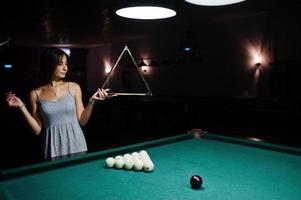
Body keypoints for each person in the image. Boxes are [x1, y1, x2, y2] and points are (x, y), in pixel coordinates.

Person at [5, 47, 109, 160]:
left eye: (66, 63)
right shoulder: (35, 94)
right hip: (53, 147)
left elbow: (82, 121)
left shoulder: (74, 87)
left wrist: (92, 102)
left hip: (77, 144)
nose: (65, 68)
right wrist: (21, 106)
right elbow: (37, 130)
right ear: (49, 65)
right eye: (60, 64)